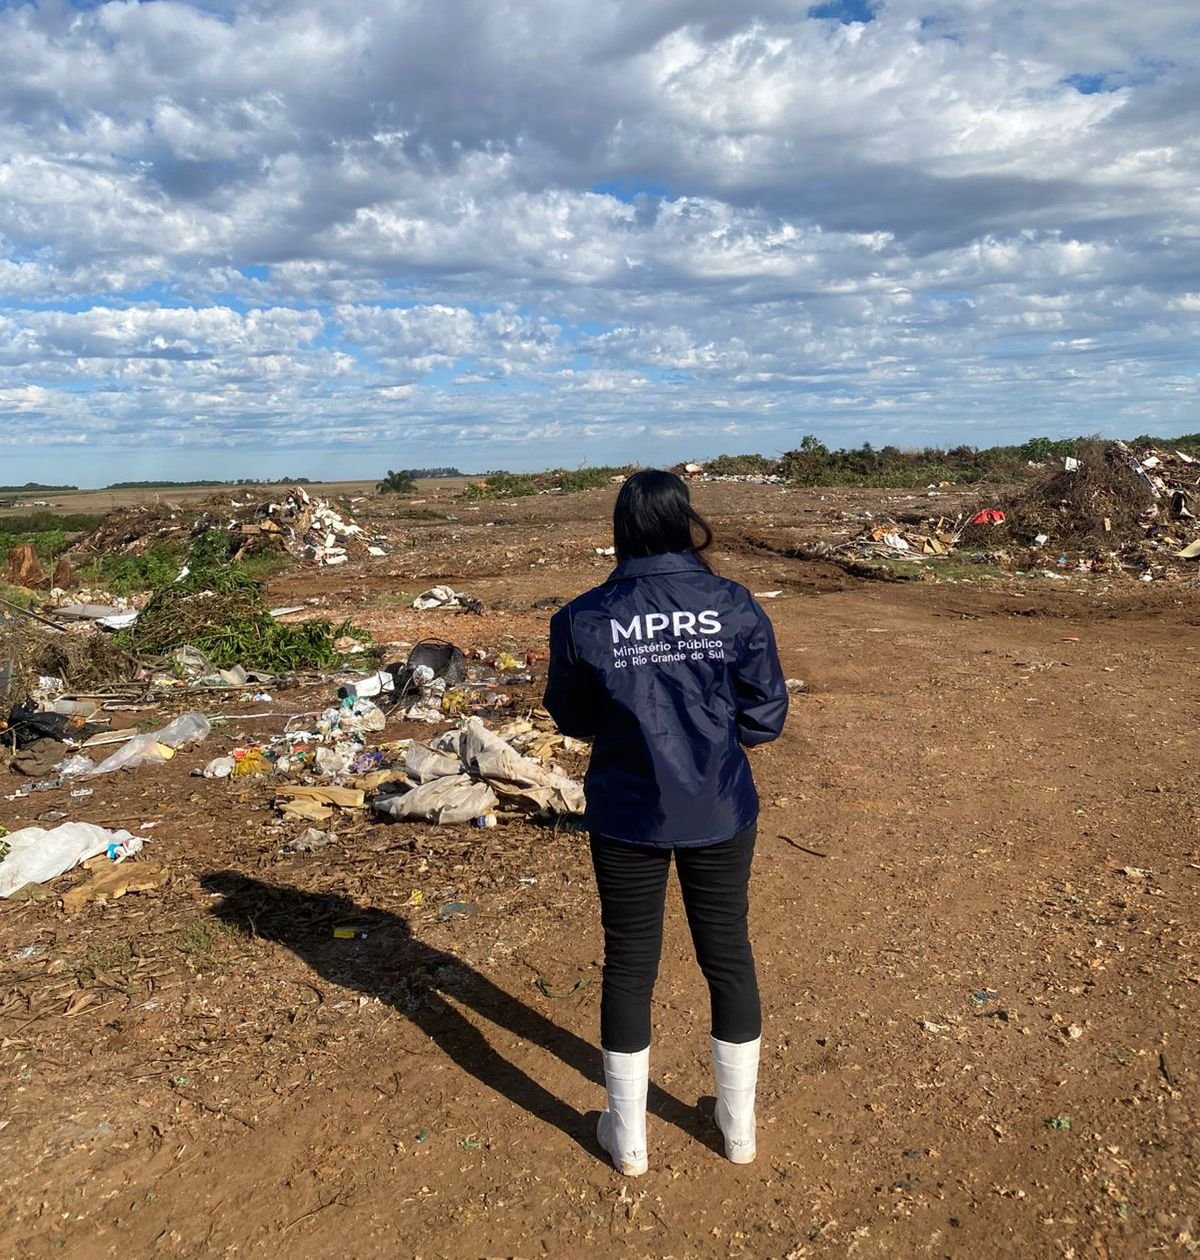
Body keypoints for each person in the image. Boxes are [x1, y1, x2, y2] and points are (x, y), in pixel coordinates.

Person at [543, 469, 788, 1175]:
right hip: (718, 806)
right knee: (728, 954)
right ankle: (738, 1131)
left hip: (628, 812)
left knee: (629, 964)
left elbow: (573, 716)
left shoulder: (583, 618)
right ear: (686, 521)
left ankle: (629, 1141)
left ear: (621, 529)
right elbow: (766, 715)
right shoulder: (731, 605)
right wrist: (712, 736)